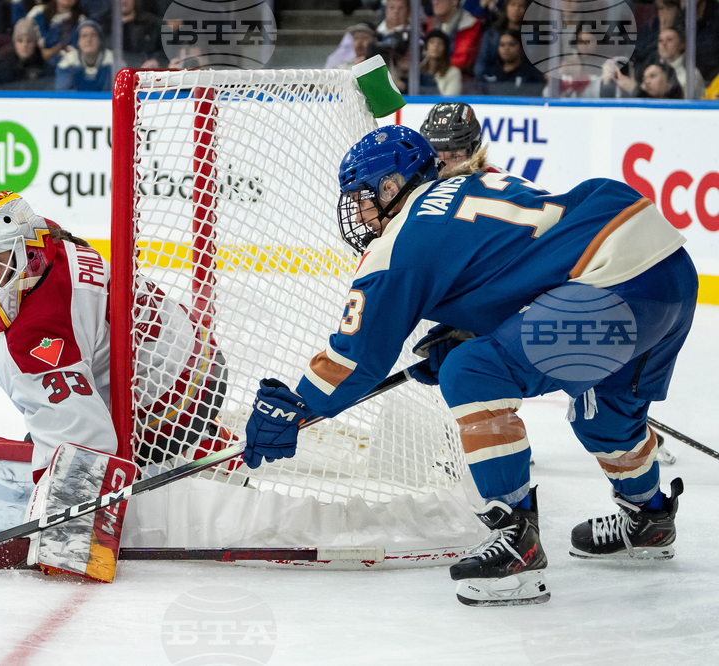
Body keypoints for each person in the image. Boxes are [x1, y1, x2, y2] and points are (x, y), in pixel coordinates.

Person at [241, 125, 693, 606]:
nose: (359, 213)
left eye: (362, 197)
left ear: (391, 186)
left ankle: (517, 541)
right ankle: (649, 519)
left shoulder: (398, 244)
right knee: (607, 416)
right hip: (667, 269)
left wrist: (298, 407)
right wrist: (477, 329)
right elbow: (524, 263)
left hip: (614, 287)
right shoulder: (468, 183)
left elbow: (356, 358)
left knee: (473, 372)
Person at [0, 190, 231, 480]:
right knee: (48, 428)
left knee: (65, 452)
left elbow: (88, 450)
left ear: (28, 255)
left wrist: (59, 507)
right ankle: (209, 449)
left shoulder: (35, 336)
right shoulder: (54, 240)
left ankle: (202, 462)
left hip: (171, 411)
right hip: (200, 353)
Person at [419, 101, 484, 178]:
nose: (444, 168)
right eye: (437, 156)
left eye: (454, 156)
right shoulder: (416, 182)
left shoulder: (492, 180)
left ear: (474, 153)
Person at [476, 29, 544, 95]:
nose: (506, 48)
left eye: (511, 44)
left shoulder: (531, 76)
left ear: (520, 47)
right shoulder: (489, 74)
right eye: (502, 45)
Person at [425, 0, 483, 76]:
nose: (435, 2)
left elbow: (462, 60)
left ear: (454, 1)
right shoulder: (432, 22)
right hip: (433, 77)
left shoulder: (469, 25)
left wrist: (434, 61)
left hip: (462, 80)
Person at [473, 0, 524, 82]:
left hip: (525, 83)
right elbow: (480, 68)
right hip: (493, 84)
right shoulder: (491, 34)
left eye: (521, 6)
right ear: (506, 7)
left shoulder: (532, 36)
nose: (516, 9)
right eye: (512, 5)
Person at [55, 19, 113, 92]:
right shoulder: (69, 61)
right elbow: (62, 94)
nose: (89, 39)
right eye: (84, 36)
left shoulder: (112, 59)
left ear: (100, 40)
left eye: (93, 35)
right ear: (78, 41)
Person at [656, 28, 705, 98]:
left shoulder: (691, 74)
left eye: (669, 40)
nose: (663, 44)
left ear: (681, 44)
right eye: (660, 40)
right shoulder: (654, 70)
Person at [120, 0, 167, 68]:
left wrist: (156, 60)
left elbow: (172, 50)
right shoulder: (104, 28)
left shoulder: (153, 24)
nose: (123, 1)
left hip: (148, 75)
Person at [419, 29, 462, 95]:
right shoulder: (418, 71)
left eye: (440, 43)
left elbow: (450, 100)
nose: (436, 46)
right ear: (426, 46)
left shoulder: (453, 73)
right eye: (432, 42)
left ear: (445, 48)